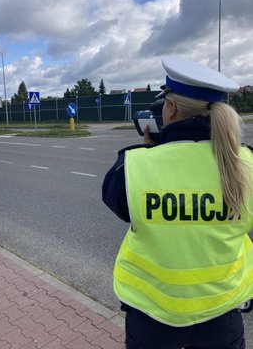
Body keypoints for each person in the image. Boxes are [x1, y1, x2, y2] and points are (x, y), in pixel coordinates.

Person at [102, 56, 253, 349]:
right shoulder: (247, 164)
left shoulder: (132, 168)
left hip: (152, 322)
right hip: (223, 318)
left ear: (170, 108)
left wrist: (152, 153)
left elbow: (119, 204)